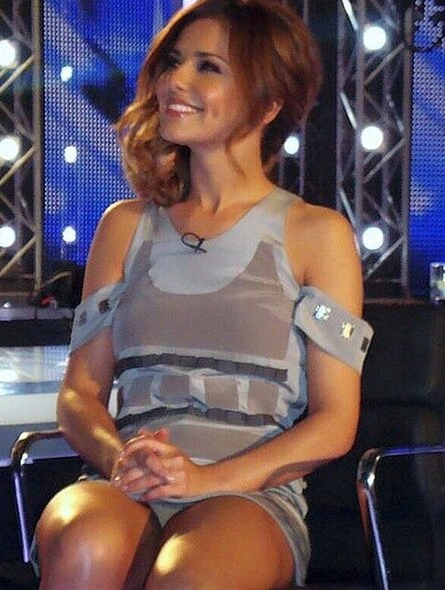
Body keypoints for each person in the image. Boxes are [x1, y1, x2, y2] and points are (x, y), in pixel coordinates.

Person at [35, 1, 373, 588]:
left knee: (191, 576)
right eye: (173, 62)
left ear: (268, 103)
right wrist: (120, 458)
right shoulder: (123, 226)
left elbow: (335, 420)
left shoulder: (318, 234)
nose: (175, 80)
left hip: (249, 495)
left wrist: (204, 480)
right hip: (129, 482)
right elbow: (79, 394)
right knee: (85, 542)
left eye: (207, 67)